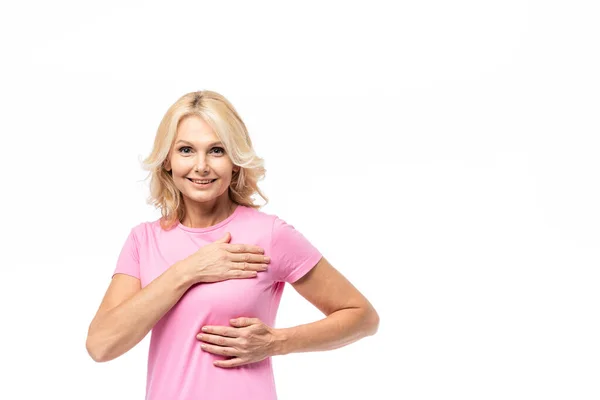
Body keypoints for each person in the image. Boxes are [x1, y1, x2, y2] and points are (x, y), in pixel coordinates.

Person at [85, 90, 380, 399]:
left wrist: (276, 342)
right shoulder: (143, 240)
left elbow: (362, 316)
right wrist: (189, 271)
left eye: (216, 150)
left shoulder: (269, 234)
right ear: (168, 160)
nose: (201, 166)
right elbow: (101, 345)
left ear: (236, 162)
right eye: (186, 150)